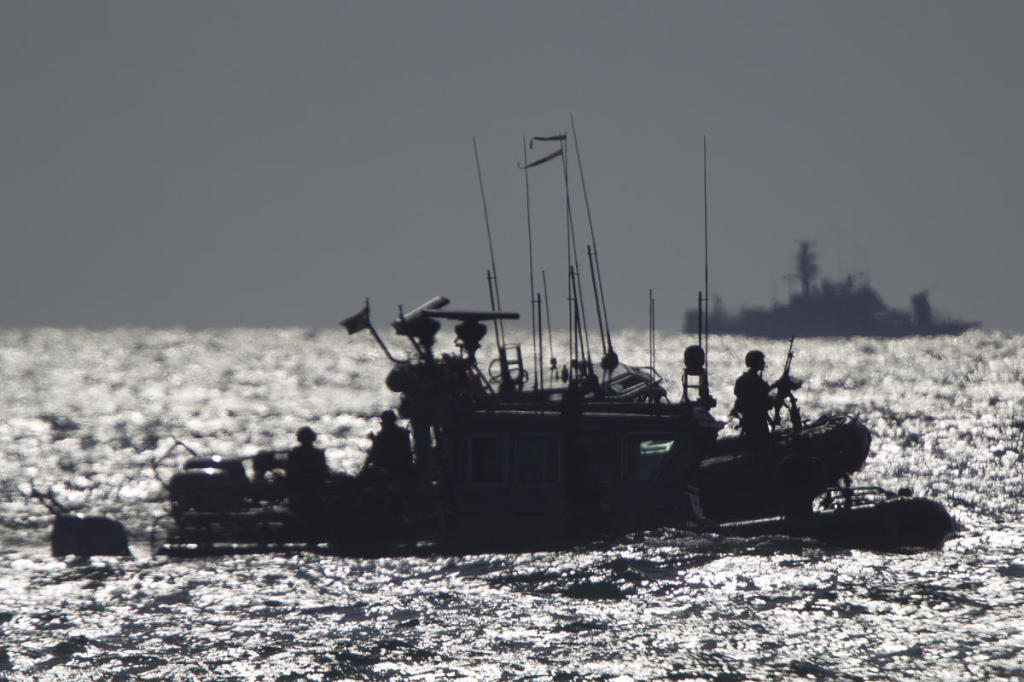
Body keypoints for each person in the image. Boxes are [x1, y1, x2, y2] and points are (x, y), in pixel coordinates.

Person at [731, 350, 775, 445]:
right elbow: (758, 400)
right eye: (761, 361)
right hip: (756, 422)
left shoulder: (743, 380)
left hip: (750, 420)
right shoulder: (754, 381)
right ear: (756, 362)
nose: (763, 363)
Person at [286, 426, 329, 520]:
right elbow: (324, 473)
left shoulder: (295, 453)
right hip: (310, 491)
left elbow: (290, 475)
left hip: (307, 491)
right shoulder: (317, 454)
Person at [364, 411, 414, 482]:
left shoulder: (384, 434)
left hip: (391, 466)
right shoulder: (403, 433)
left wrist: (374, 440)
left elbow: (378, 451)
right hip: (403, 466)